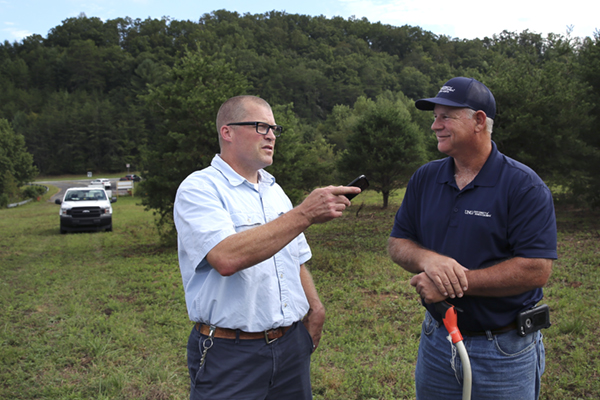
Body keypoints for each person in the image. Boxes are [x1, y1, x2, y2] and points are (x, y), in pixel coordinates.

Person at [173, 95, 361, 400]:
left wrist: (316, 308)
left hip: (290, 347)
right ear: (227, 132)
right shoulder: (199, 188)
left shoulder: (274, 191)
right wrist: (304, 213)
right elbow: (225, 257)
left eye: (274, 128)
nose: (271, 135)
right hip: (230, 355)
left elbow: (295, 259)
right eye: (261, 126)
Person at [387, 77, 557, 399]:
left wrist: (455, 282)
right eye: (434, 117)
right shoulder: (425, 178)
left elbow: (536, 268)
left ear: (479, 121)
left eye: (445, 117)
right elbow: (398, 242)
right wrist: (428, 259)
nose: (435, 126)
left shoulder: (524, 187)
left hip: (504, 353)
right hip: (438, 341)